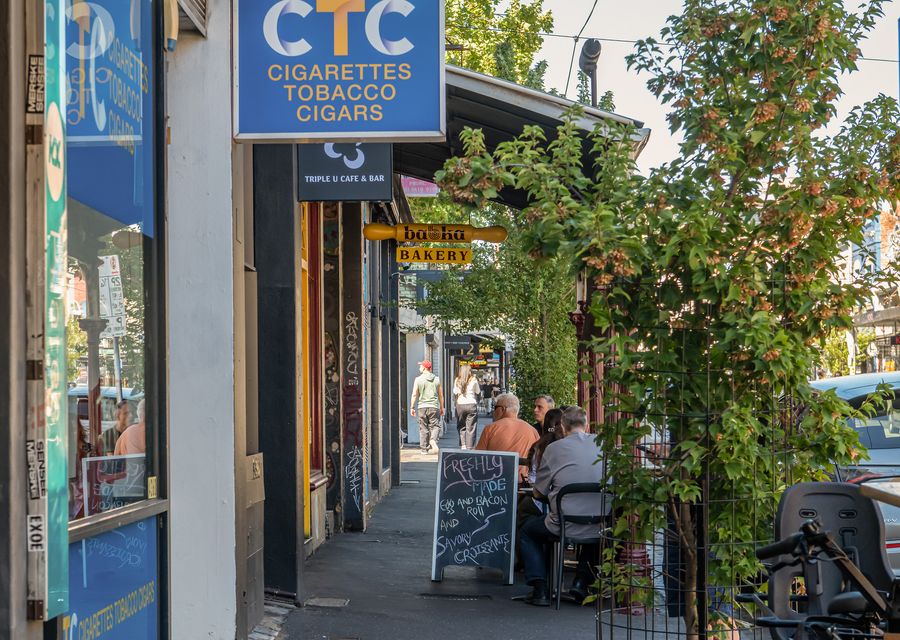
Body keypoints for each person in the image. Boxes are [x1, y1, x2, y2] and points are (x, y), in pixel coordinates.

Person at [519, 406, 606, 606]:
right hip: (599, 524)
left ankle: (540, 588)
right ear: (586, 425)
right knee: (591, 532)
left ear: (563, 427)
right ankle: (581, 582)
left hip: (563, 524)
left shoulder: (554, 449)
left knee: (528, 532)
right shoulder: (602, 444)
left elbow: (538, 492)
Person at [474, 392, 539, 482]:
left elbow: (478, 458)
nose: (493, 411)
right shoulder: (532, 430)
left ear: (503, 409)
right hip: (523, 482)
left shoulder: (491, 428)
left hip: (495, 482)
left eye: (495, 408)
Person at [410, 360, 445, 454]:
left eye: (420, 366)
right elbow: (441, 395)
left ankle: (424, 449)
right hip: (434, 406)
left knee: (423, 427)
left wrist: (412, 407)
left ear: (425, 368)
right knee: (435, 426)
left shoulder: (418, 379)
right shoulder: (437, 379)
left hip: (422, 407)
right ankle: (433, 440)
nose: (419, 367)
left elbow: (414, 394)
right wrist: (442, 407)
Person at [452, 364, 480, 449]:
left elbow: (455, 392)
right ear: (469, 371)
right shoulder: (474, 379)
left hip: (460, 404)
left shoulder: (457, 380)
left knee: (461, 425)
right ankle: (470, 447)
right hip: (471, 404)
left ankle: (463, 444)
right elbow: (478, 391)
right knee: (471, 427)